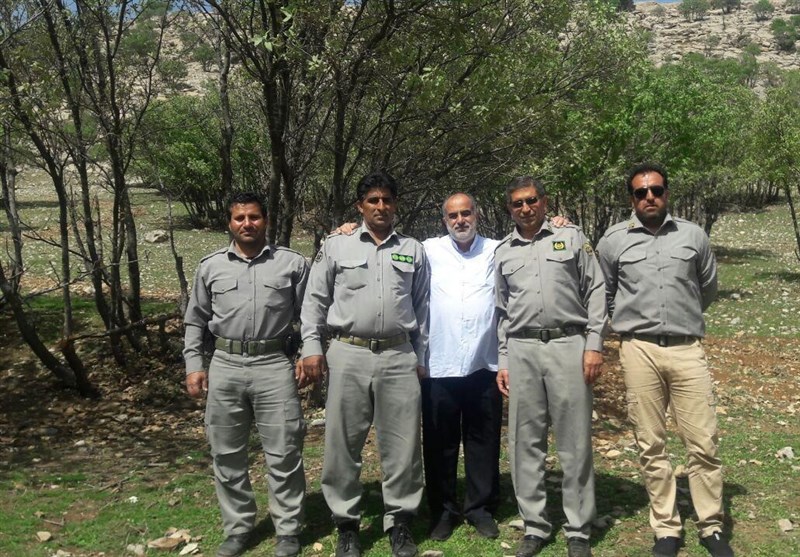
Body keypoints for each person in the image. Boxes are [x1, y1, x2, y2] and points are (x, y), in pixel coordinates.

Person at [596, 163, 733, 557]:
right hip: (638, 350)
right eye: (641, 192)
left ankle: (711, 527)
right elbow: (605, 292)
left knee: (702, 442)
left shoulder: (693, 235)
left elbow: (707, 288)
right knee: (650, 443)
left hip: (687, 348)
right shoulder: (613, 241)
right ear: (631, 198)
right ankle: (667, 529)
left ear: (667, 193)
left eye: (656, 190)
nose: (649, 197)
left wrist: (681, 316)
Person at [300, 170, 430, 557]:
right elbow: (315, 300)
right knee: (342, 442)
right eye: (373, 200)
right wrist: (311, 346)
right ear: (360, 206)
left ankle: (400, 522)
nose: (380, 206)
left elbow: (423, 307)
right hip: (348, 353)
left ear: (395, 204)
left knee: (403, 445)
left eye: (387, 199)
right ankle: (347, 524)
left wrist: (421, 357)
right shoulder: (336, 245)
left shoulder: (412, 249)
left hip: (398, 355)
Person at [183, 192, 308, 557]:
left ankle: (288, 530)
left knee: (284, 451)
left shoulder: (291, 263)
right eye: (240, 218)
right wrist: (194, 365)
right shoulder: (210, 267)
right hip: (225, 365)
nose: (247, 224)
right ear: (230, 223)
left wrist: (306, 354)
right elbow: (195, 321)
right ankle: (238, 528)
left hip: (274, 365)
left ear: (265, 220)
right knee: (226, 453)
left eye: (254, 217)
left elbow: (311, 315)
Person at [495, 176, 607, 557]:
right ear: (509, 209)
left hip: (567, 345)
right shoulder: (503, 252)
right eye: (517, 203)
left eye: (531, 201)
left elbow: (596, 290)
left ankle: (579, 529)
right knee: (524, 441)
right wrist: (504, 359)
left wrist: (594, 345)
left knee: (574, 440)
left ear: (544, 201)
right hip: (522, 349)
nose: (525, 209)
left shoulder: (571, 237)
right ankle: (535, 524)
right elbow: (501, 311)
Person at [421, 193, 503, 541]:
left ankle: (480, 508)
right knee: (439, 443)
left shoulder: (497, 249)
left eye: (466, 213)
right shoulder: (427, 250)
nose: (460, 220)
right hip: (439, 364)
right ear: (444, 221)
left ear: (477, 215)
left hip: (484, 364)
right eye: (452, 216)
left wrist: (559, 224)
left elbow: (532, 241)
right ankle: (443, 510)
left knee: (483, 439)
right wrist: (349, 230)